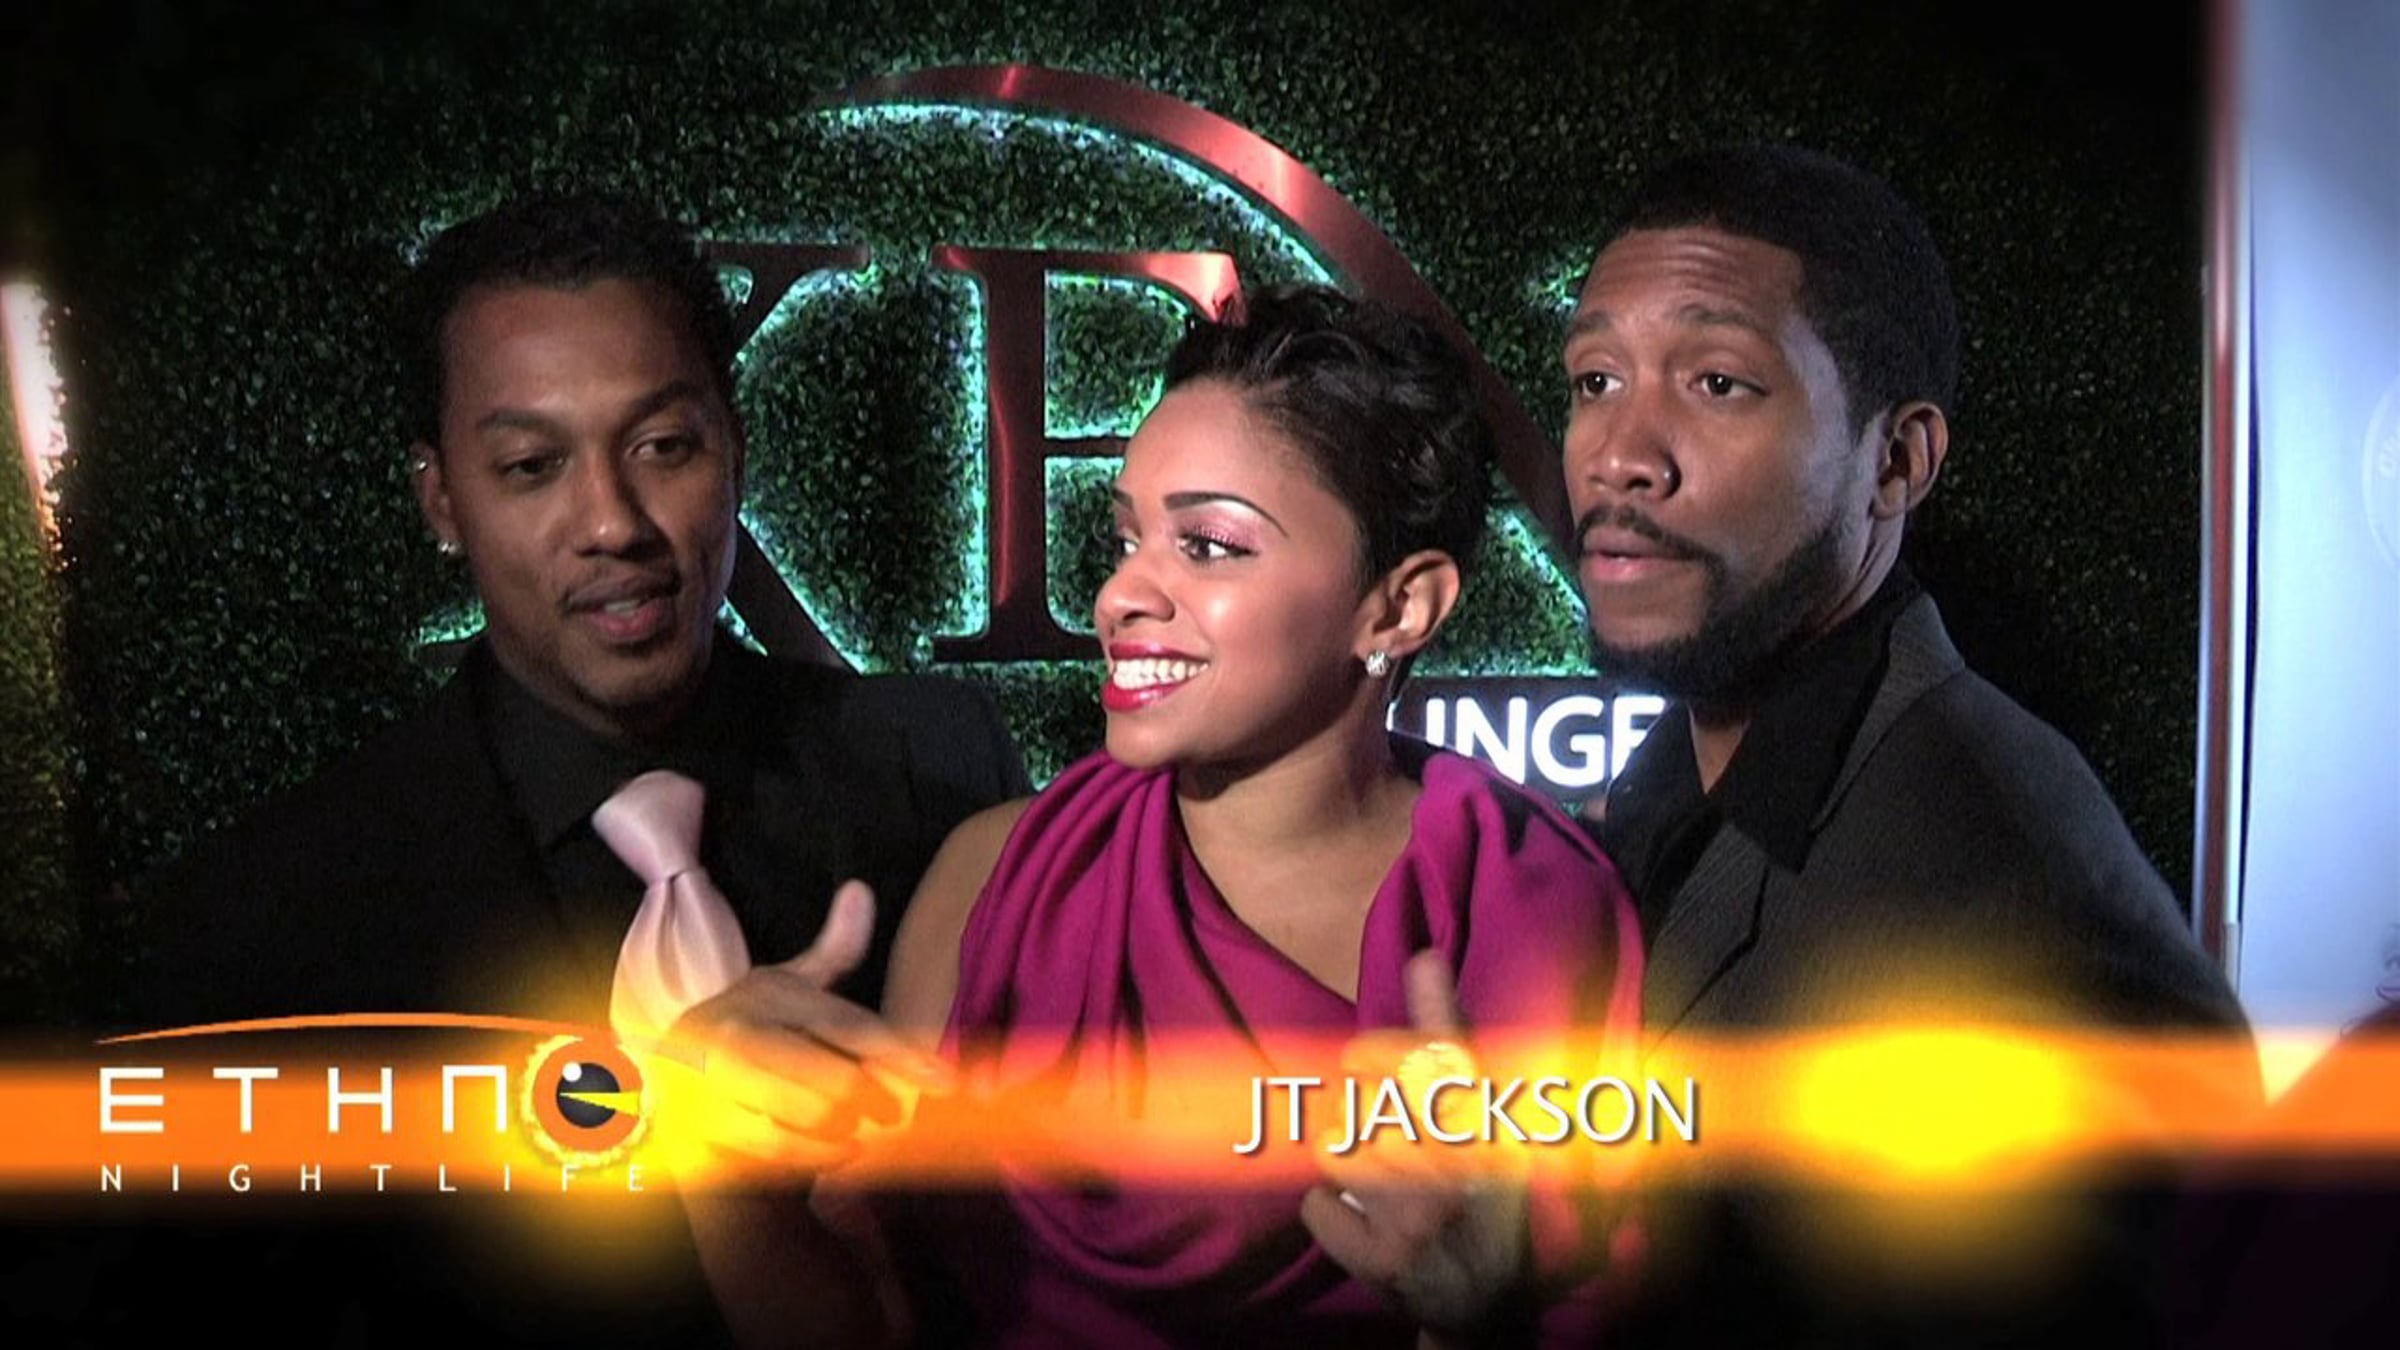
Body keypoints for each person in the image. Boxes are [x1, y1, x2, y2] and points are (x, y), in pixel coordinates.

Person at [114, 191, 1029, 1345]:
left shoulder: (939, 775)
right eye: (533, 465)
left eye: (663, 447)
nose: (613, 521)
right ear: (442, 499)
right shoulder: (262, 927)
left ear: (735, 449)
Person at [675, 285, 1644, 1347]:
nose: (1117, 598)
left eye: (1210, 545)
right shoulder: (994, 881)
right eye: (1127, 537)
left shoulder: (1534, 910)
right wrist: (725, 1181)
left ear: (1399, 605)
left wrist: (1470, 1321)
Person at [1562, 143, 2254, 1344]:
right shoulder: (1672, 785)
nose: (1621, 453)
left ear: (1896, 461)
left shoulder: (2005, 904)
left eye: (1717, 382)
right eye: (1595, 379)